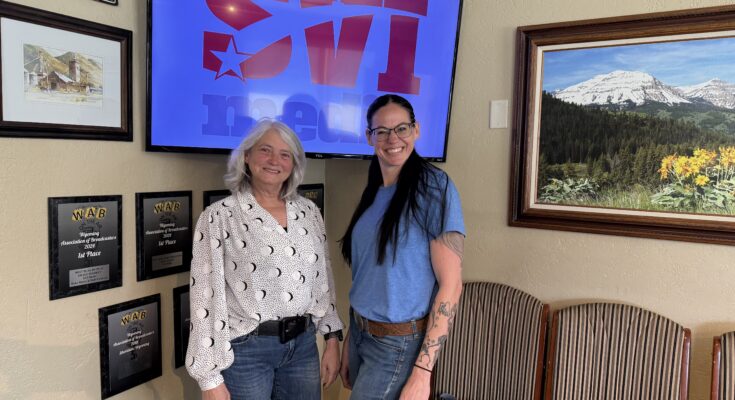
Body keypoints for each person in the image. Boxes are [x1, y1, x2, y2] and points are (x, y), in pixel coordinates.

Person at [186, 119, 344, 400]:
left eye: (285, 154)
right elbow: (205, 297)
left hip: (304, 346)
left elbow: (323, 278)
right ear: (247, 156)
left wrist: (331, 338)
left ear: (294, 164)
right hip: (247, 352)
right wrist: (209, 378)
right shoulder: (220, 216)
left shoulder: (309, 211)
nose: (274, 161)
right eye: (265, 150)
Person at [339, 94, 465, 400]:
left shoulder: (434, 187)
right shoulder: (374, 189)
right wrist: (350, 339)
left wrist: (422, 372)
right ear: (369, 137)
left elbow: (451, 285)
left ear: (416, 130)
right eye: (381, 131)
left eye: (402, 128)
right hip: (360, 333)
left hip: (396, 345)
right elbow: (369, 276)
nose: (392, 139)